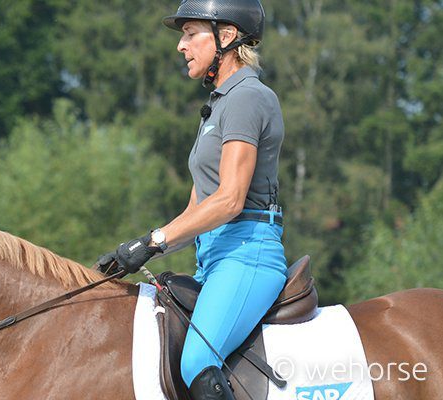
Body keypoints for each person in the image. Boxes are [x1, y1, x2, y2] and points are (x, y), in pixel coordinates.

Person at [96, 1, 286, 399]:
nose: (181, 46)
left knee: (197, 359)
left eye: (190, 34)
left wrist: (154, 241)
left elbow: (230, 200)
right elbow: (196, 211)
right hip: (214, 258)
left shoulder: (248, 97)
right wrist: (139, 251)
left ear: (227, 36)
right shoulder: (217, 106)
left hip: (247, 253)